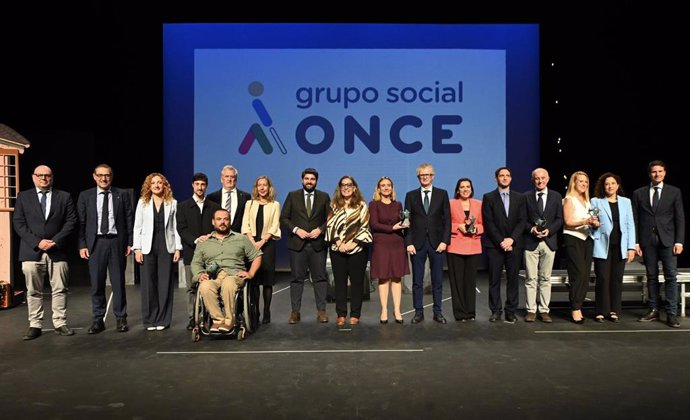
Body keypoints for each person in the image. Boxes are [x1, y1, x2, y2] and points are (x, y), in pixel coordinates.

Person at [13, 165, 77, 340]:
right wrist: (38, 242)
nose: (44, 178)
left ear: (52, 178)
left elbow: (71, 221)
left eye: (47, 176)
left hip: (58, 250)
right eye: (40, 175)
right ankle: (35, 324)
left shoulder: (64, 197)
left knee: (60, 289)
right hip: (31, 250)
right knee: (33, 290)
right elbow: (19, 223)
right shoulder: (23, 197)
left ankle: (60, 322)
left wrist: (55, 241)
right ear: (33, 177)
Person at [77, 163, 134, 334]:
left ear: (111, 176)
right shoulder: (85, 196)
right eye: (100, 175)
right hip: (96, 244)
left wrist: (130, 242)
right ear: (94, 176)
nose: (104, 178)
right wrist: (82, 245)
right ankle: (98, 320)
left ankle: (121, 318)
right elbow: (81, 223)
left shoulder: (121, 194)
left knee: (118, 283)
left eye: (107, 175)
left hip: (116, 242)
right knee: (97, 284)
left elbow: (128, 219)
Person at [632, 160, 685, 328]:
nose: (657, 174)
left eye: (660, 171)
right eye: (654, 172)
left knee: (671, 276)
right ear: (649, 174)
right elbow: (635, 219)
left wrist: (679, 241)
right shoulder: (639, 193)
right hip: (647, 241)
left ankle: (671, 313)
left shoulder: (674, 192)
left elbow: (680, 218)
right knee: (652, 276)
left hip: (668, 241)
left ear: (665, 173)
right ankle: (654, 309)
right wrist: (635, 242)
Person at [191, 209, 263, 332]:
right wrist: (199, 275)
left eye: (226, 219)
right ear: (213, 222)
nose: (222, 222)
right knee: (205, 286)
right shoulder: (204, 242)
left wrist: (250, 273)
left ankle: (230, 321)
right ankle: (218, 321)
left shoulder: (241, 239)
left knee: (228, 283)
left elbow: (257, 255)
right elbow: (196, 263)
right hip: (213, 277)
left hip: (234, 275)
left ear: (230, 222)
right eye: (219, 219)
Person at [280, 168, 331, 324]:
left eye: (312, 179)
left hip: (317, 244)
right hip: (297, 244)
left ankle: (321, 311)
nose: (309, 181)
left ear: (316, 181)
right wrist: (296, 230)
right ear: (302, 180)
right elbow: (284, 218)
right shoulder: (292, 196)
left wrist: (320, 229)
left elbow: (330, 219)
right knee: (296, 279)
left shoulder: (324, 197)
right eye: (307, 178)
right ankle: (295, 312)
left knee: (320, 278)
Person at [132, 173, 182, 330]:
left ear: (164, 185)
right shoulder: (143, 202)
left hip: (166, 245)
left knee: (165, 283)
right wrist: (137, 249)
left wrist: (178, 248)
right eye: (153, 183)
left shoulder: (172, 203)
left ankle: (163, 320)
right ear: (149, 186)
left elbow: (176, 227)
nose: (156, 185)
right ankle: (149, 320)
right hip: (147, 247)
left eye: (159, 182)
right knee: (148, 283)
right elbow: (137, 227)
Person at [404, 163, 451, 324]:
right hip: (417, 245)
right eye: (421, 175)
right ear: (418, 177)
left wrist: (445, 241)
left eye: (427, 175)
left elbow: (447, 221)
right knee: (417, 281)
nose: (424, 177)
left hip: (437, 244)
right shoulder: (410, 195)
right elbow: (406, 220)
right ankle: (418, 313)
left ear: (433, 176)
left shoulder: (442, 194)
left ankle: (437, 312)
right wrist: (408, 242)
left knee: (437, 280)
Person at [482, 167, 527, 324]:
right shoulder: (488, 197)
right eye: (501, 176)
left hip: (514, 245)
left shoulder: (520, 198)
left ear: (511, 178)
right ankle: (495, 311)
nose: (505, 178)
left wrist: (511, 240)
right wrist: (501, 241)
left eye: (507, 175)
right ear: (496, 179)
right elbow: (489, 222)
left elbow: (522, 221)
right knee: (494, 279)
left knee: (513, 280)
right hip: (495, 245)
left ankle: (510, 311)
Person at [326, 176, 372, 327]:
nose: (346, 187)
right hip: (337, 249)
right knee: (339, 283)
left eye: (349, 185)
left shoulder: (361, 205)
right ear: (339, 188)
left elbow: (365, 227)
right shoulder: (333, 205)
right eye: (343, 185)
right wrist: (339, 243)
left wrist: (352, 243)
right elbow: (330, 226)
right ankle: (341, 314)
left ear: (354, 188)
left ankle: (355, 314)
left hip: (357, 249)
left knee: (357, 283)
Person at [176, 172, 220, 330]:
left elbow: (219, 227)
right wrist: (196, 240)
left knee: (211, 285)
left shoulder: (214, 207)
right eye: (197, 184)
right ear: (192, 186)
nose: (200, 187)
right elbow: (181, 228)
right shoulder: (182, 207)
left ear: (206, 186)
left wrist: (210, 237)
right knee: (192, 287)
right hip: (191, 252)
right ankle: (193, 318)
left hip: (211, 254)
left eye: (203, 185)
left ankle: (211, 316)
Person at [591, 172, 636, 322]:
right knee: (603, 278)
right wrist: (594, 225)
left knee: (617, 279)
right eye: (606, 184)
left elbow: (630, 225)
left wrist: (631, 247)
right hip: (602, 245)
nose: (609, 186)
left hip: (620, 246)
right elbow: (592, 222)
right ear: (603, 186)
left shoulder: (626, 202)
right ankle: (600, 310)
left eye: (612, 183)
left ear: (618, 185)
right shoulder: (596, 201)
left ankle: (614, 310)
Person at [522, 168, 563, 323]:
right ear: (533, 180)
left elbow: (559, 219)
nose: (540, 181)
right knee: (530, 278)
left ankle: (544, 310)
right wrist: (531, 229)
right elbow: (522, 219)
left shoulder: (556, 196)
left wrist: (549, 230)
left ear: (548, 179)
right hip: (530, 242)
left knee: (546, 278)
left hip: (549, 242)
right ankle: (531, 310)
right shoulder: (525, 197)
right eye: (537, 178)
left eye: (543, 178)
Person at [241, 175, 281, 324]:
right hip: (251, 244)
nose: (262, 188)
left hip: (268, 244)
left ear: (269, 188)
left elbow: (275, 225)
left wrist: (263, 241)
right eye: (260, 185)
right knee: (255, 280)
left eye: (265, 185)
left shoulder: (275, 204)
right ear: (256, 188)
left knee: (267, 280)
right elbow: (245, 224)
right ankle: (256, 311)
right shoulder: (249, 204)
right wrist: (252, 241)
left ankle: (267, 311)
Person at [369, 176, 409, 324]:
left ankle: (397, 309)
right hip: (381, 244)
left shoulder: (398, 204)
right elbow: (374, 224)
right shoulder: (374, 204)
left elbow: (402, 221)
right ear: (378, 189)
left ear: (392, 188)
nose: (386, 188)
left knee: (397, 277)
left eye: (388, 185)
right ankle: (384, 309)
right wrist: (392, 227)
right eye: (383, 186)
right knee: (383, 277)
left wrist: (405, 224)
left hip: (397, 243)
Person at [562, 171, 600, 324]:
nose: (583, 184)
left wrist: (594, 223)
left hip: (587, 239)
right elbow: (568, 221)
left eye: (586, 182)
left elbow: (589, 220)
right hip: (573, 239)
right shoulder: (569, 199)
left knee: (585, 276)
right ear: (574, 183)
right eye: (580, 181)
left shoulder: (587, 201)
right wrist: (586, 221)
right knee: (578, 274)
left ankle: (579, 305)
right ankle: (575, 308)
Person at [447, 177, 483, 322]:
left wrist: (476, 229)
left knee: (470, 282)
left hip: (473, 246)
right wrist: (458, 227)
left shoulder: (479, 204)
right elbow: (444, 223)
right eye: (462, 187)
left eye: (468, 186)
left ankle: (470, 312)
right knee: (457, 283)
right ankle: (460, 313)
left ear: (471, 189)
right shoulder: (451, 203)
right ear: (457, 189)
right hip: (455, 246)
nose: (465, 189)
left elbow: (483, 225)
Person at [207, 165, 251, 233]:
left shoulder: (246, 197)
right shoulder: (211, 197)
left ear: (236, 180)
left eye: (232, 177)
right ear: (221, 179)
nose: (229, 179)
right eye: (226, 176)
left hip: (239, 238)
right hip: (218, 238)